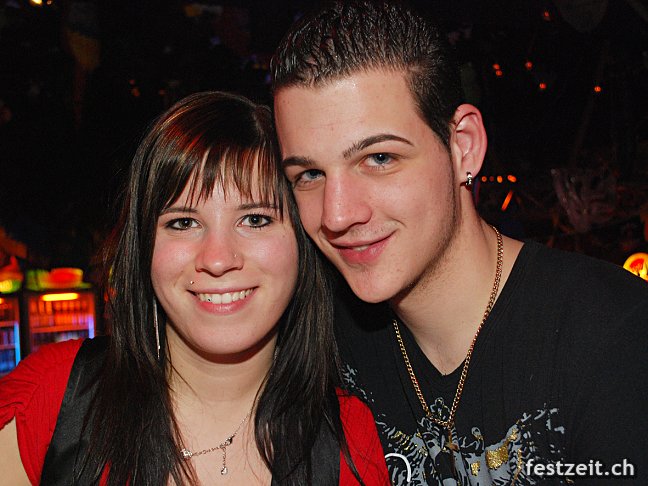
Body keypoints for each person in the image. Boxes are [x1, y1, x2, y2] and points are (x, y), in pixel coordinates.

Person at [271, 1, 648, 485]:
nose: (337, 214)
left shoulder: (615, 338)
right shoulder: (319, 338)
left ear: (463, 146)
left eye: (379, 158)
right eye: (309, 174)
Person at [0, 91, 389, 485]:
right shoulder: (51, 399)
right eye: (184, 223)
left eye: (255, 219)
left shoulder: (349, 443)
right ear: (144, 247)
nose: (217, 259)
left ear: (303, 244)